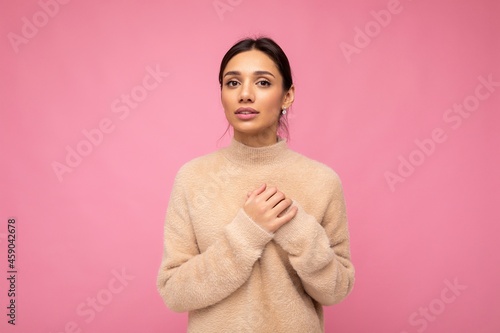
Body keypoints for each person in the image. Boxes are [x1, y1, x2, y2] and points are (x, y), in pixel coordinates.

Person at [157, 37, 355, 333]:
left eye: (262, 83)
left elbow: (336, 290)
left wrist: (297, 228)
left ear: (287, 96)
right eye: (233, 83)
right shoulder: (193, 177)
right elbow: (174, 292)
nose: (245, 95)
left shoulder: (322, 181)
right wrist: (246, 234)